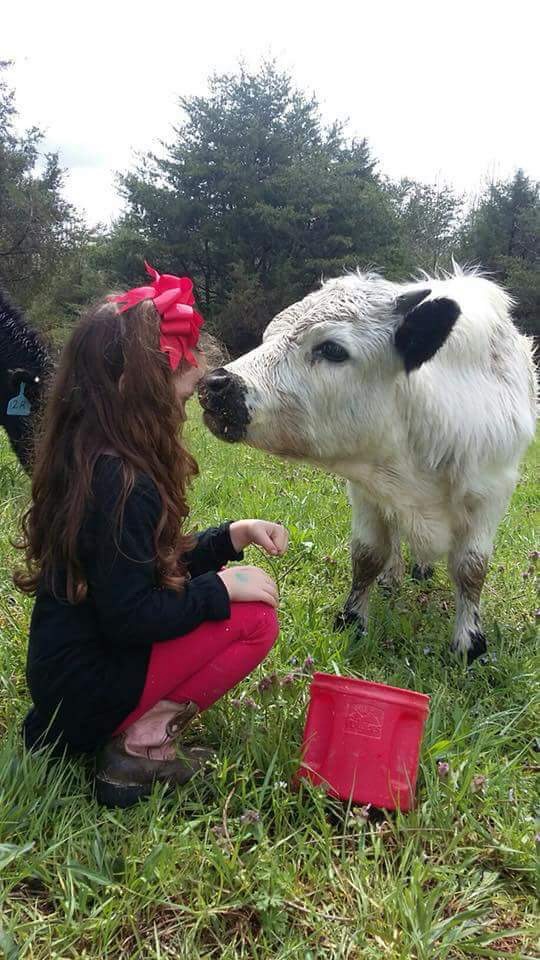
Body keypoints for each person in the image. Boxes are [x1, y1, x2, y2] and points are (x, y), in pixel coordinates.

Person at [14, 263, 286, 807]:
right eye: (181, 401)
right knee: (256, 619)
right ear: (134, 390)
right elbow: (133, 616)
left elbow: (136, 568)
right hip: (88, 696)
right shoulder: (123, 483)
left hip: (64, 689)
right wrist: (220, 590)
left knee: (234, 599)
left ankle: (119, 733)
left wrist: (228, 538)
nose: (182, 417)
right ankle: (138, 751)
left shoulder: (90, 458)